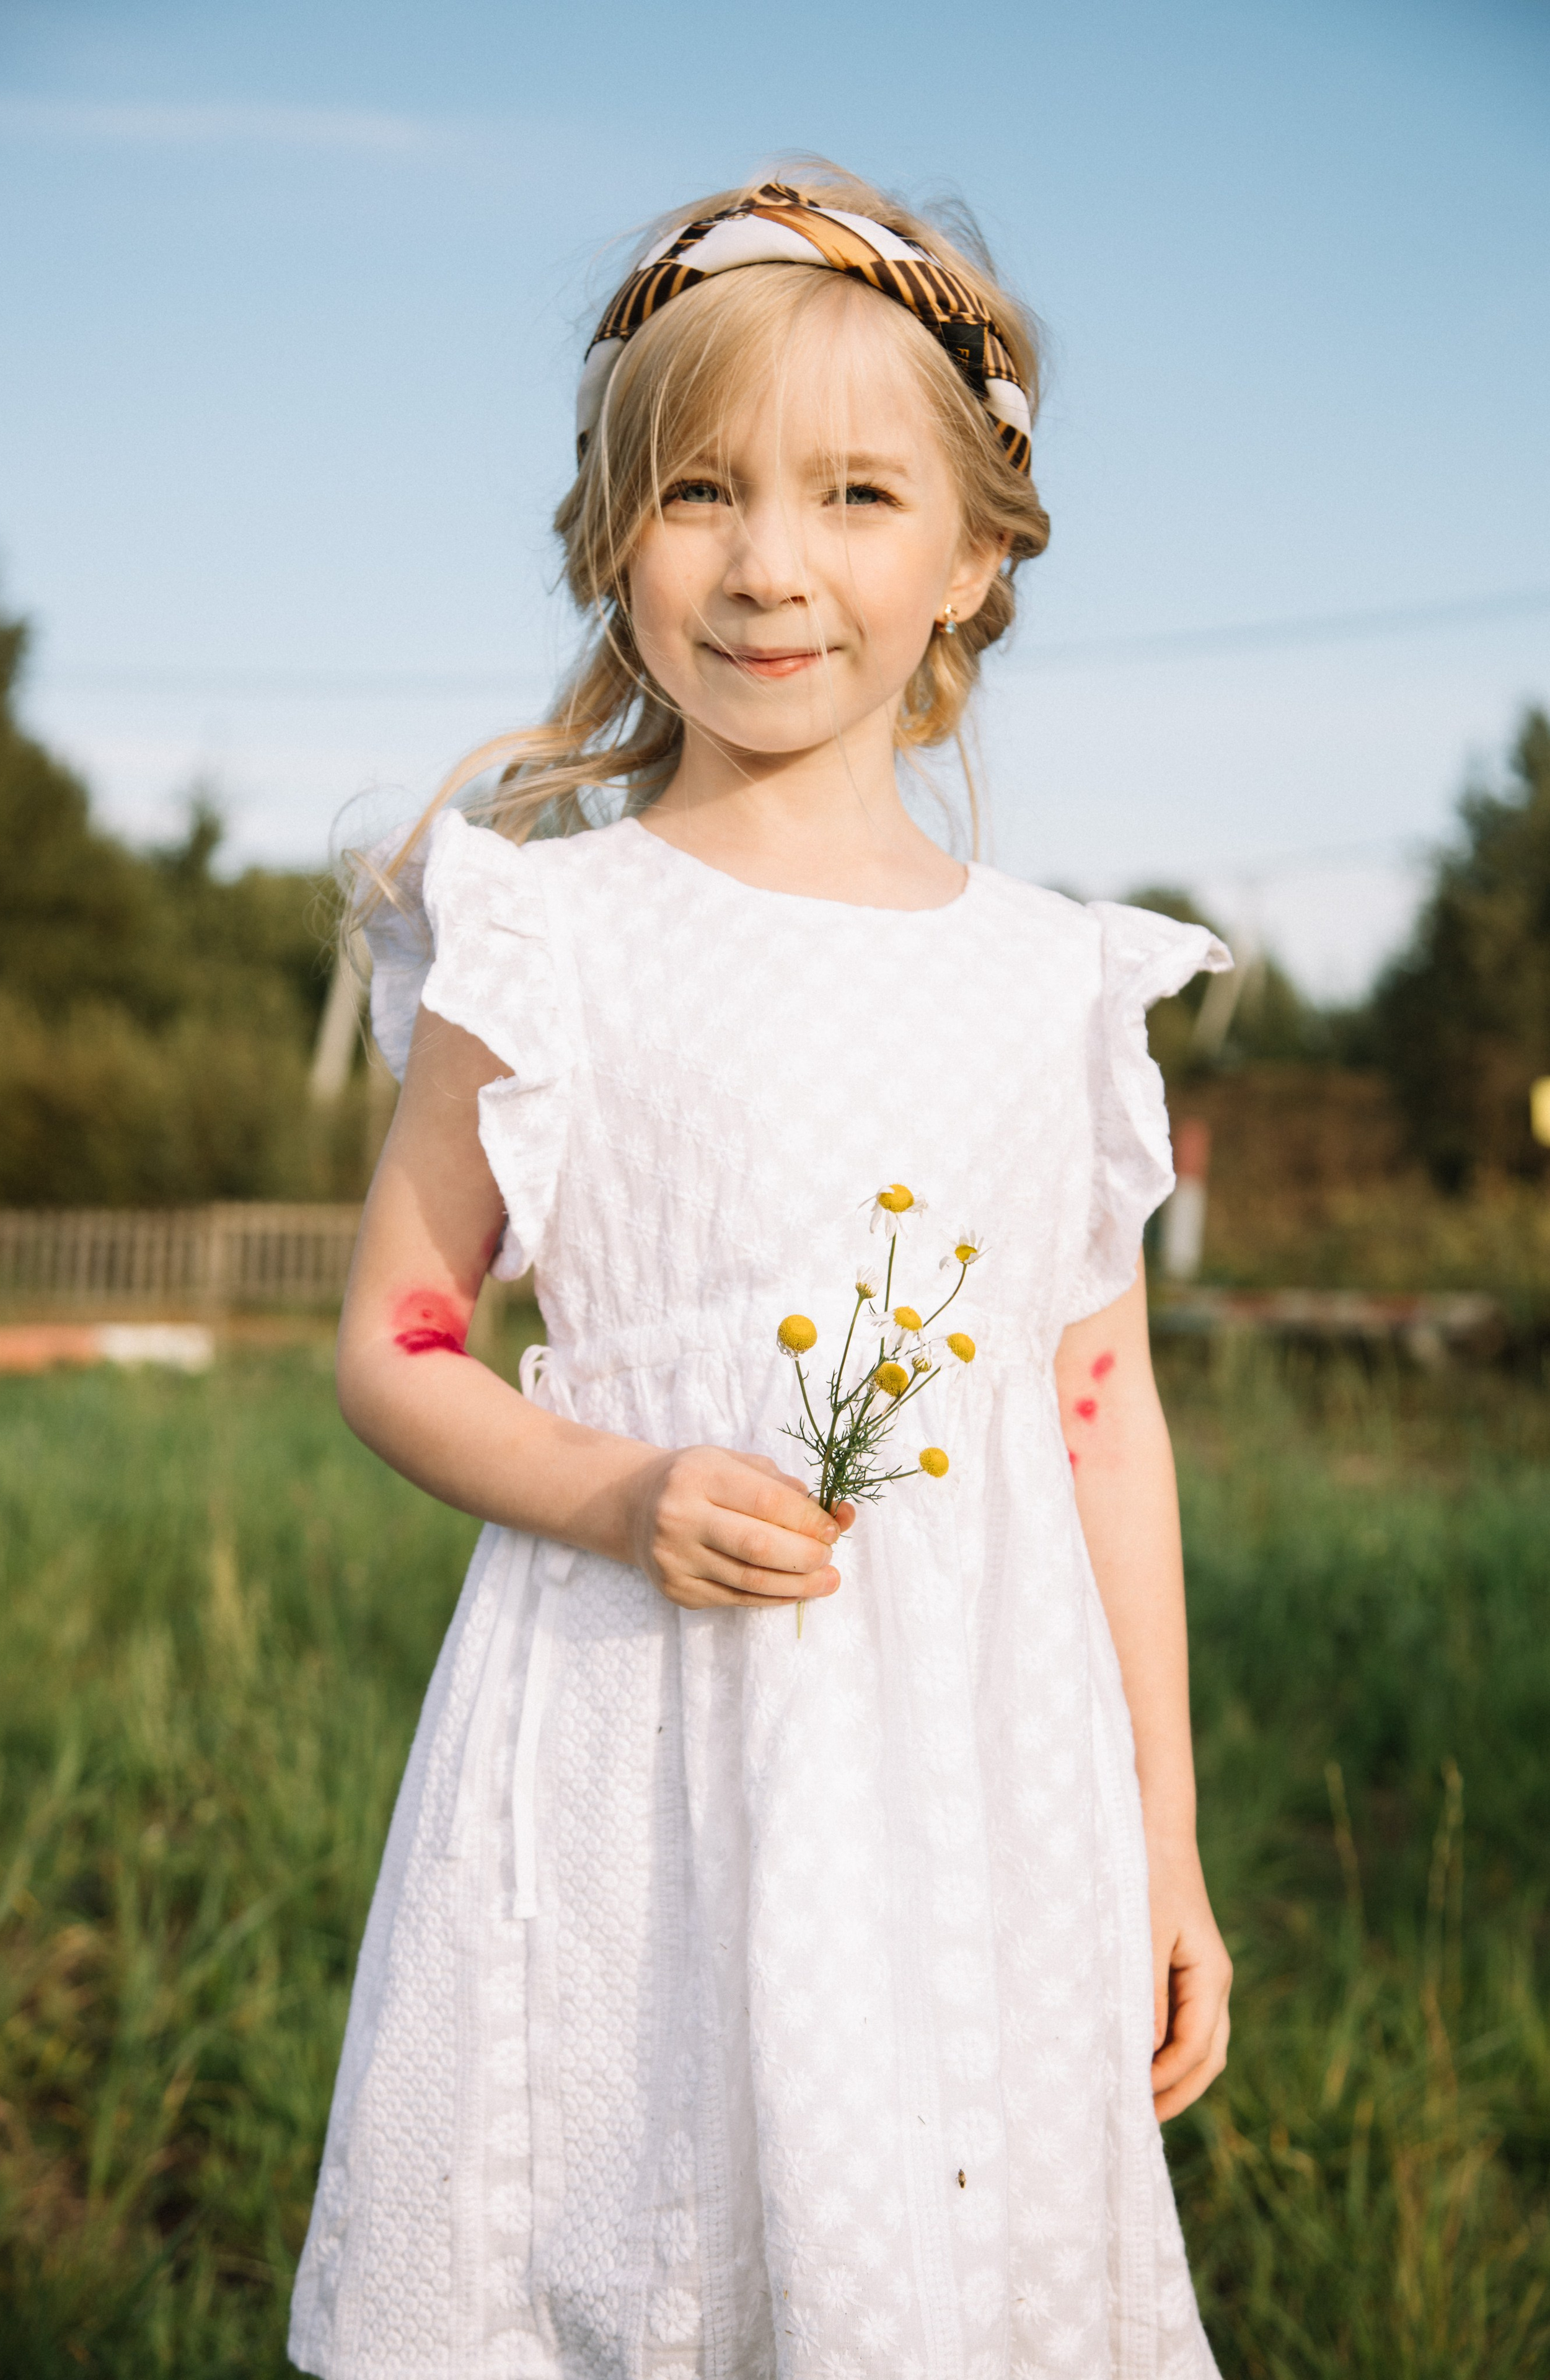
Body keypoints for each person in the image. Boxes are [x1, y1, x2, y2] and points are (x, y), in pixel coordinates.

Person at [289, 166, 1233, 2380]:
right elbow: (398, 1346)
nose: (770, 563)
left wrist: (1165, 1839)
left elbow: (1102, 1420)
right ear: (612, 533)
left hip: (978, 1793)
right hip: (637, 1773)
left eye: (857, 494)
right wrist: (620, 1490)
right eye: (698, 489)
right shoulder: (551, 937)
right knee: (632, 2254)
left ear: (974, 555)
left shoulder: (1055, 986)